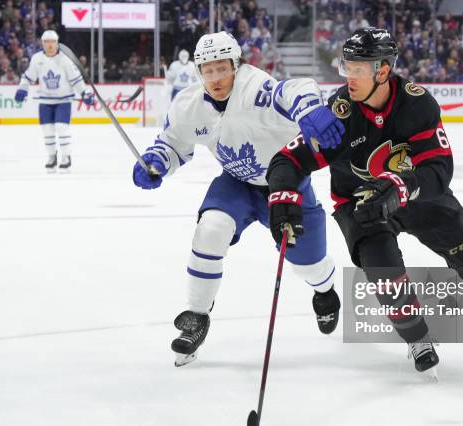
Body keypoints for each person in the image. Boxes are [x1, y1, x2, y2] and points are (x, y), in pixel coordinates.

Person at [265, 28, 463, 374]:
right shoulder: (339, 115)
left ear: (383, 71)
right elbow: (287, 161)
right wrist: (282, 196)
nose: (349, 76)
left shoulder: (417, 103)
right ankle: (417, 337)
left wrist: (401, 186)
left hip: (418, 195)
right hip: (361, 205)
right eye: (347, 66)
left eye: (359, 69)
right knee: (385, 273)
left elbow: (438, 169)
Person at [132, 32, 345, 367]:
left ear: (236, 65)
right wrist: (157, 161)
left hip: (284, 181)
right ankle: (197, 316)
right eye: (208, 70)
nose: (215, 79)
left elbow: (295, 88)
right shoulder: (188, 104)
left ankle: (325, 289)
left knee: (310, 264)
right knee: (211, 228)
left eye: (222, 69)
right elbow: (173, 143)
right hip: (237, 181)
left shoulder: (255, 89)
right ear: (199, 71)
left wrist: (309, 111)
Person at [14, 30, 94, 171]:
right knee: (48, 131)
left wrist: (85, 92)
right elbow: (28, 77)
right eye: (47, 42)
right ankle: (52, 156)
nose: (50, 45)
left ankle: (66, 157)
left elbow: (76, 80)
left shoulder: (65, 60)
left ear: (57, 43)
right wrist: (22, 89)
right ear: (43, 44)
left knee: (62, 128)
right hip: (45, 101)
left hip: (63, 100)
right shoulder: (37, 59)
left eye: (53, 42)